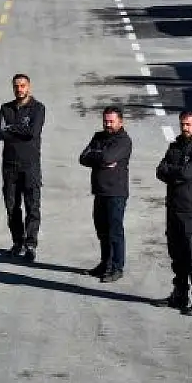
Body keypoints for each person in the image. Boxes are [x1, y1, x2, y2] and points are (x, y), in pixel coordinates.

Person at [155, 110, 192, 317]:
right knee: (177, 255)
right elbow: (160, 170)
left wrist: (174, 171)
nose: (185, 128)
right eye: (182, 124)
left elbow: (188, 173)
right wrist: (176, 171)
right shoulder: (175, 146)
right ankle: (179, 293)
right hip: (173, 210)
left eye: (188, 124)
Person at [79, 106, 133, 283]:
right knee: (102, 230)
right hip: (99, 191)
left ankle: (117, 267)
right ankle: (105, 263)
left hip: (116, 193)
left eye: (111, 121)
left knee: (115, 232)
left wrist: (99, 156)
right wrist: (100, 157)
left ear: (120, 121)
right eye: (105, 121)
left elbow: (107, 158)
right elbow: (83, 158)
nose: (108, 124)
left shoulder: (124, 141)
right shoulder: (98, 136)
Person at [0, 73, 46, 262]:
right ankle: (18, 242)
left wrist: (11, 129)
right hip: (10, 167)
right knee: (12, 207)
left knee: (32, 207)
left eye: (23, 85)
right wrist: (14, 130)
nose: (20, 89)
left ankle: (31, 244)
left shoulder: (38, 108)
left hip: (30, 166)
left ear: (29, 87)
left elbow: (32, 133)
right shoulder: (5, 108)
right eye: (17, 86)